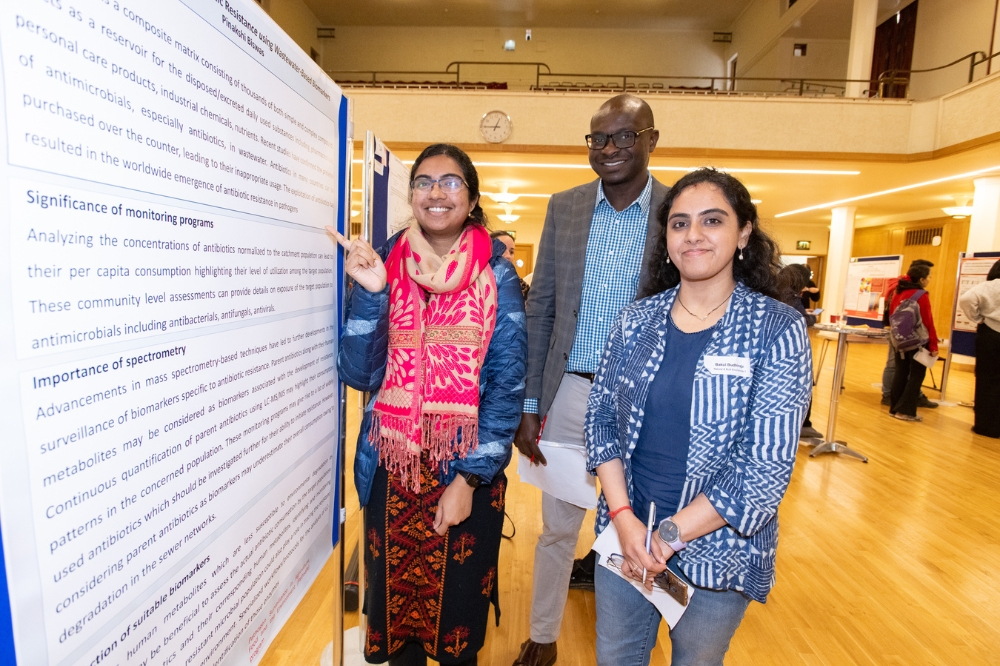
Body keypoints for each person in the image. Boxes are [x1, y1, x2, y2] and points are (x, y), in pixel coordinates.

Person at [586, 168, 812, 666]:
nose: (694, 235)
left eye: (712, 220)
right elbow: (600, 420)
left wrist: (666, 537)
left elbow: (764, 471)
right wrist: (624, 521)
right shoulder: (636, 319)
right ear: (665, 240)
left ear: (744, 233)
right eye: (680, 223)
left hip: (718, 552)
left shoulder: (776, 329)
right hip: (624, 540)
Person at [332, 144, 527, 666]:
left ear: (472, 197)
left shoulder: (498, 276)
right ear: (411, 193)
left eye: (451, 181)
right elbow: (356, 372)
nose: (436, 192)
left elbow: (506, 386)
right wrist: (372, 293)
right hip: (391, 470)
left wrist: (467, 480)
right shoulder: (384, 263)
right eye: (424, 181)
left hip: (462, 473)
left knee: (455, 631)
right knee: (397, 631)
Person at [512, 94, 669, 666]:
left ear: (652, 139)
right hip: (573, 392)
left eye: (624, 137)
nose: (609, 149)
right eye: (598, 139)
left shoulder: (677, 211)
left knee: (642, 524)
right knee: (557, 528)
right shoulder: (567, 208)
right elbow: (543, 309)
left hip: (649, 400)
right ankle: (544, 634)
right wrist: (530, 404)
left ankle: (629, 644)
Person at [881, 260, 938, 409]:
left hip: (897, 336)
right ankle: (906, 409)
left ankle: (894, 405)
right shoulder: (921, 294)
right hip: (916, 339)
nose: (930, 279)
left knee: (900, 369)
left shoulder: (897, 290)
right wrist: (933, 344)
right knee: (916, 374)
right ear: (921, 278)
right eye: (929, 276)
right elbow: (927, 322)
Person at [778, 264, 821, 439]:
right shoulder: (792, 297)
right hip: (793, 348)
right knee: (804, 383)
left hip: (779, 347)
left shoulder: (776, 292)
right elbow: (801, 320)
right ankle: (804, 425)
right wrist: (811, 316)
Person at [959, 260, 1000, 438]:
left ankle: (984, 425)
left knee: (986, 379)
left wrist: (977, 317)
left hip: (990, 334)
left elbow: (966, 299)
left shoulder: (989, 286)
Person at [491, 229, 530, 298]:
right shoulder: (479, 282)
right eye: (502, 250)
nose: (508, 256)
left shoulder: (522, 286)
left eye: (511, 252)